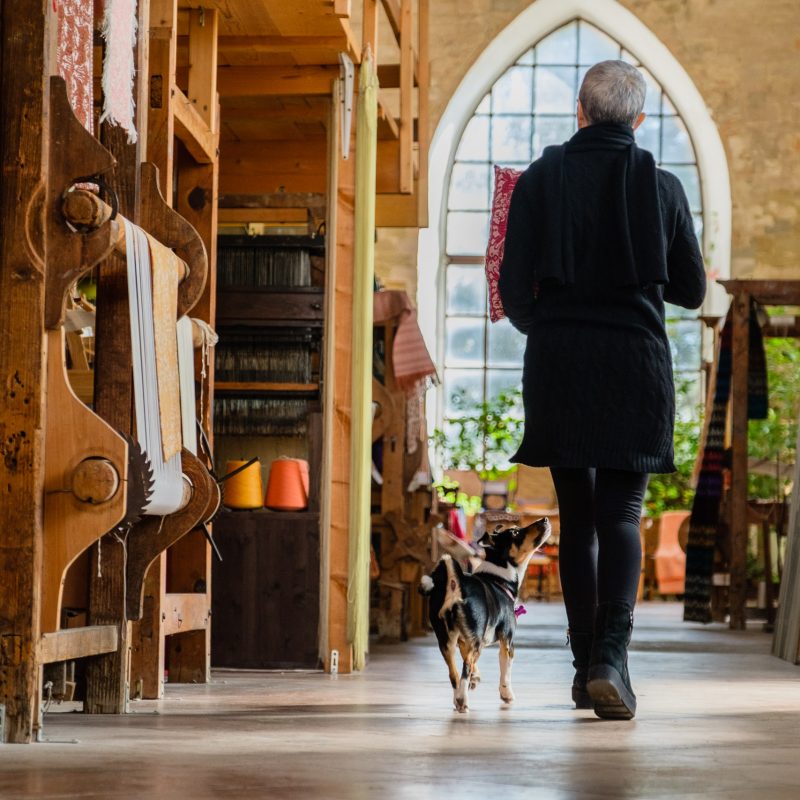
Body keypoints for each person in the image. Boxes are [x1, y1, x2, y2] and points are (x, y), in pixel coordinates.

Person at [498, 60, 706, 720]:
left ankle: (583, 664)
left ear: (580, 113)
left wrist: (548, 329)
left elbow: (511, 287)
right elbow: (692, 291)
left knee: (579, 516)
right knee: (622, 515)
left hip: (561, 363)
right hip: (635, 367)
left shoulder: (539, 181)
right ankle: (612, 662)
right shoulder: (664, 186)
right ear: (638, 121)